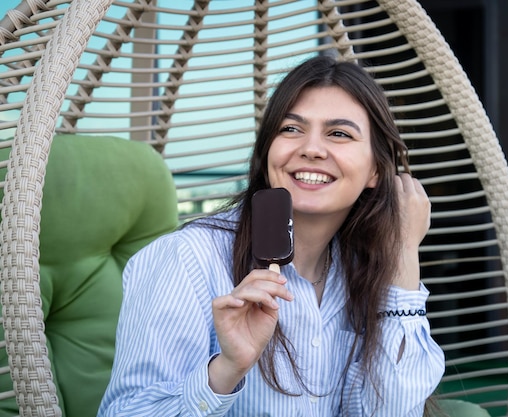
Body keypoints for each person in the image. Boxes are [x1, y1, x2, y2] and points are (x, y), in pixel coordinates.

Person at [97, 55, 445, 416]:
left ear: (375, 170)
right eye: (291, 129)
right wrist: (226, 370)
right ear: (268, 152)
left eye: (339, 133)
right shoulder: (187, 258)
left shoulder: (361, 270)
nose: (311, 148)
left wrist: (404, 252)